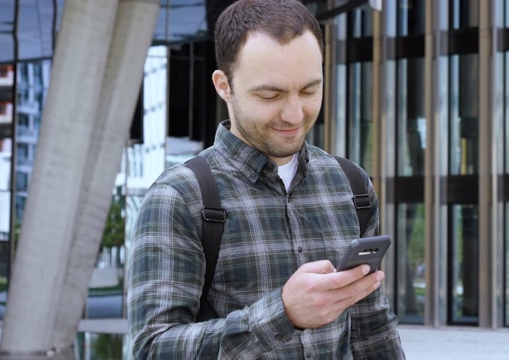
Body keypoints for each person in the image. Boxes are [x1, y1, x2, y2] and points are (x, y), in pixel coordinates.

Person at [127, 0, 405, 358]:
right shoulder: (180, 197)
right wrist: (283, 313)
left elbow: (372, 329)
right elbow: (152, 349)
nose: (293, 114)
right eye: (270, 95)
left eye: (308, 90)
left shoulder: (352, 185)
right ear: (223, 85)